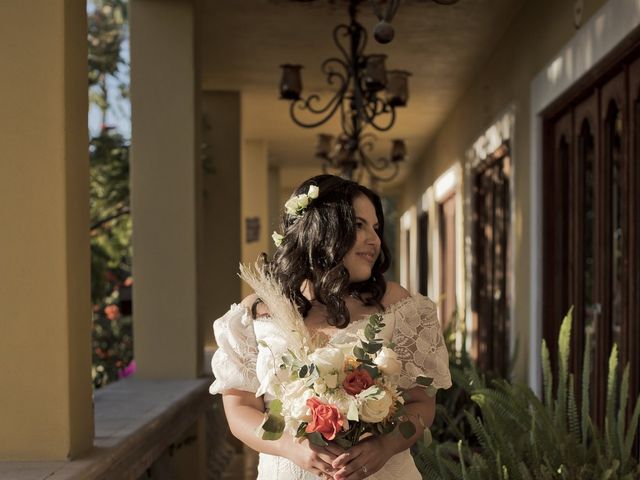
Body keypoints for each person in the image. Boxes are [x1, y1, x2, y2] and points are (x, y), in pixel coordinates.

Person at [210, 175, 451, 479]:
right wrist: (290, 448)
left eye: (376, 228)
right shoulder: (255, 313)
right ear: (320, 228)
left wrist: (385, 446)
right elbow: (239, 410)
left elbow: (422, 403)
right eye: (359, 225)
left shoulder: (397, 306)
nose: (374, 240)